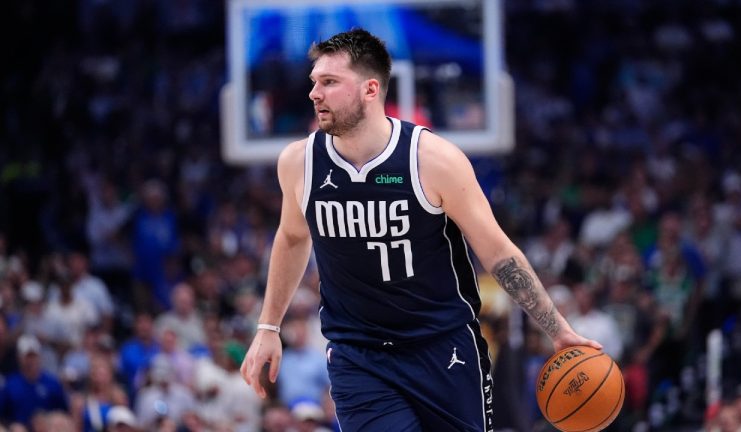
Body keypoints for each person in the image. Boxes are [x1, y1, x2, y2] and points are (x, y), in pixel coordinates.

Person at [240, 28, 600, 431]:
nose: (314, 93)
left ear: (370, 89)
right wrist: (268, 327)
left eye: (329, 82)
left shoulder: (433, 160)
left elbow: (497, 251)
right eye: (314, 82)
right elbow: (292, 238)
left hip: (443, 346)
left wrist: (557, 330)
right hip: (359, 357)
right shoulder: (299, 163)